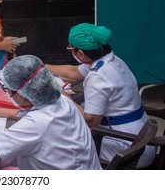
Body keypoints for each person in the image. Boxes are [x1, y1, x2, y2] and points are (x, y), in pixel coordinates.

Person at [0, 55, 102, 170]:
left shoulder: (35, 124)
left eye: (7, 89)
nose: (6, 93)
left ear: (22, 93)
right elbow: (35, 116)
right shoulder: (63, 99)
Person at [46, 22, 156, 169]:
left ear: (80, 53)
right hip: (142, 138)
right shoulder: (112, 60)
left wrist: (62, 94)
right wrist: (41, 67)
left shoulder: (98, 76)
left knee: (57, 147)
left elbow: (91, 121)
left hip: (128, 151)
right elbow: (74, 72)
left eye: (70, 49)